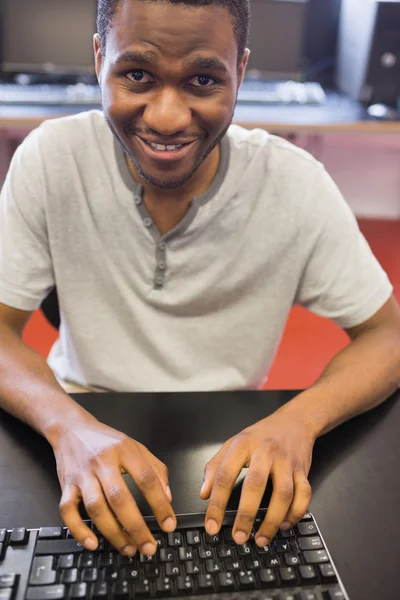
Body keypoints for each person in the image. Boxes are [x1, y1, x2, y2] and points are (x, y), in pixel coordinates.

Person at [0, 0, 399, 562]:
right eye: (136, 74)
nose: (166, 117)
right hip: (79, 422)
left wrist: (299, 421)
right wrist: (67, 426)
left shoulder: (294, 185)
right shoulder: (50, 160)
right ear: (98, 60)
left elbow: (388, 335)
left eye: (204, 79)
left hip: (235, 446)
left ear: (239, 71)